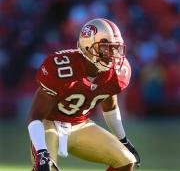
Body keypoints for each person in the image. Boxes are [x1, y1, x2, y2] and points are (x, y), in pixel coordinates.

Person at [27, 18, 140, 171]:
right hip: (49, 123)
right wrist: (41, 151)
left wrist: (123, 139)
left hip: (80, 124)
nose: (112, 55)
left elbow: (110, 106)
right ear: (88, 46)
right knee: (46, 168)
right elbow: (35, 116)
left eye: (115, 48)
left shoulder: (116, 73)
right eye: (106, 48)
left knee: (126, 160)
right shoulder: (60, 67)